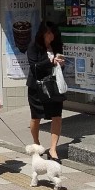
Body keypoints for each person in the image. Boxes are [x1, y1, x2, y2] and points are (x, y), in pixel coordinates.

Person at [26, 21, 66, 164]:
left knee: (57, 116)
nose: (51, 36)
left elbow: (60, 67)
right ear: (42, 33)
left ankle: (53, 149)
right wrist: (51, 62)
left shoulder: (57, 46)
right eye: (48, 33)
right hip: (37, 87)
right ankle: (36, 143)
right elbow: (34, 67)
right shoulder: (33, 46)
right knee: (36, 117)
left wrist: (61, 64)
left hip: (54, 86)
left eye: (53, 32)